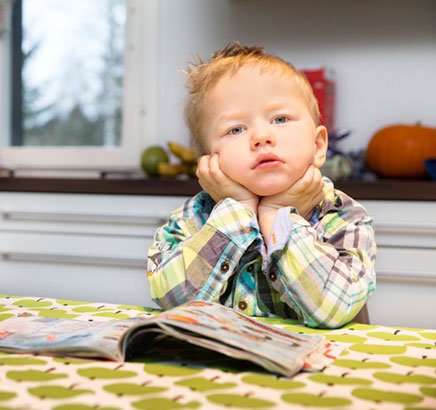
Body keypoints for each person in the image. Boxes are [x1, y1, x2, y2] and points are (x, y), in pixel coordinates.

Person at [147, 42, 376, 329]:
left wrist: (279, 215)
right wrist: (238, 210)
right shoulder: (191, 219)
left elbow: (331, 309)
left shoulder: (343, 217)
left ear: (318, 146)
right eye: (236, 129)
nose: (261, 136)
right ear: (208, 161)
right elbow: (174, 302)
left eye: (280, 119)